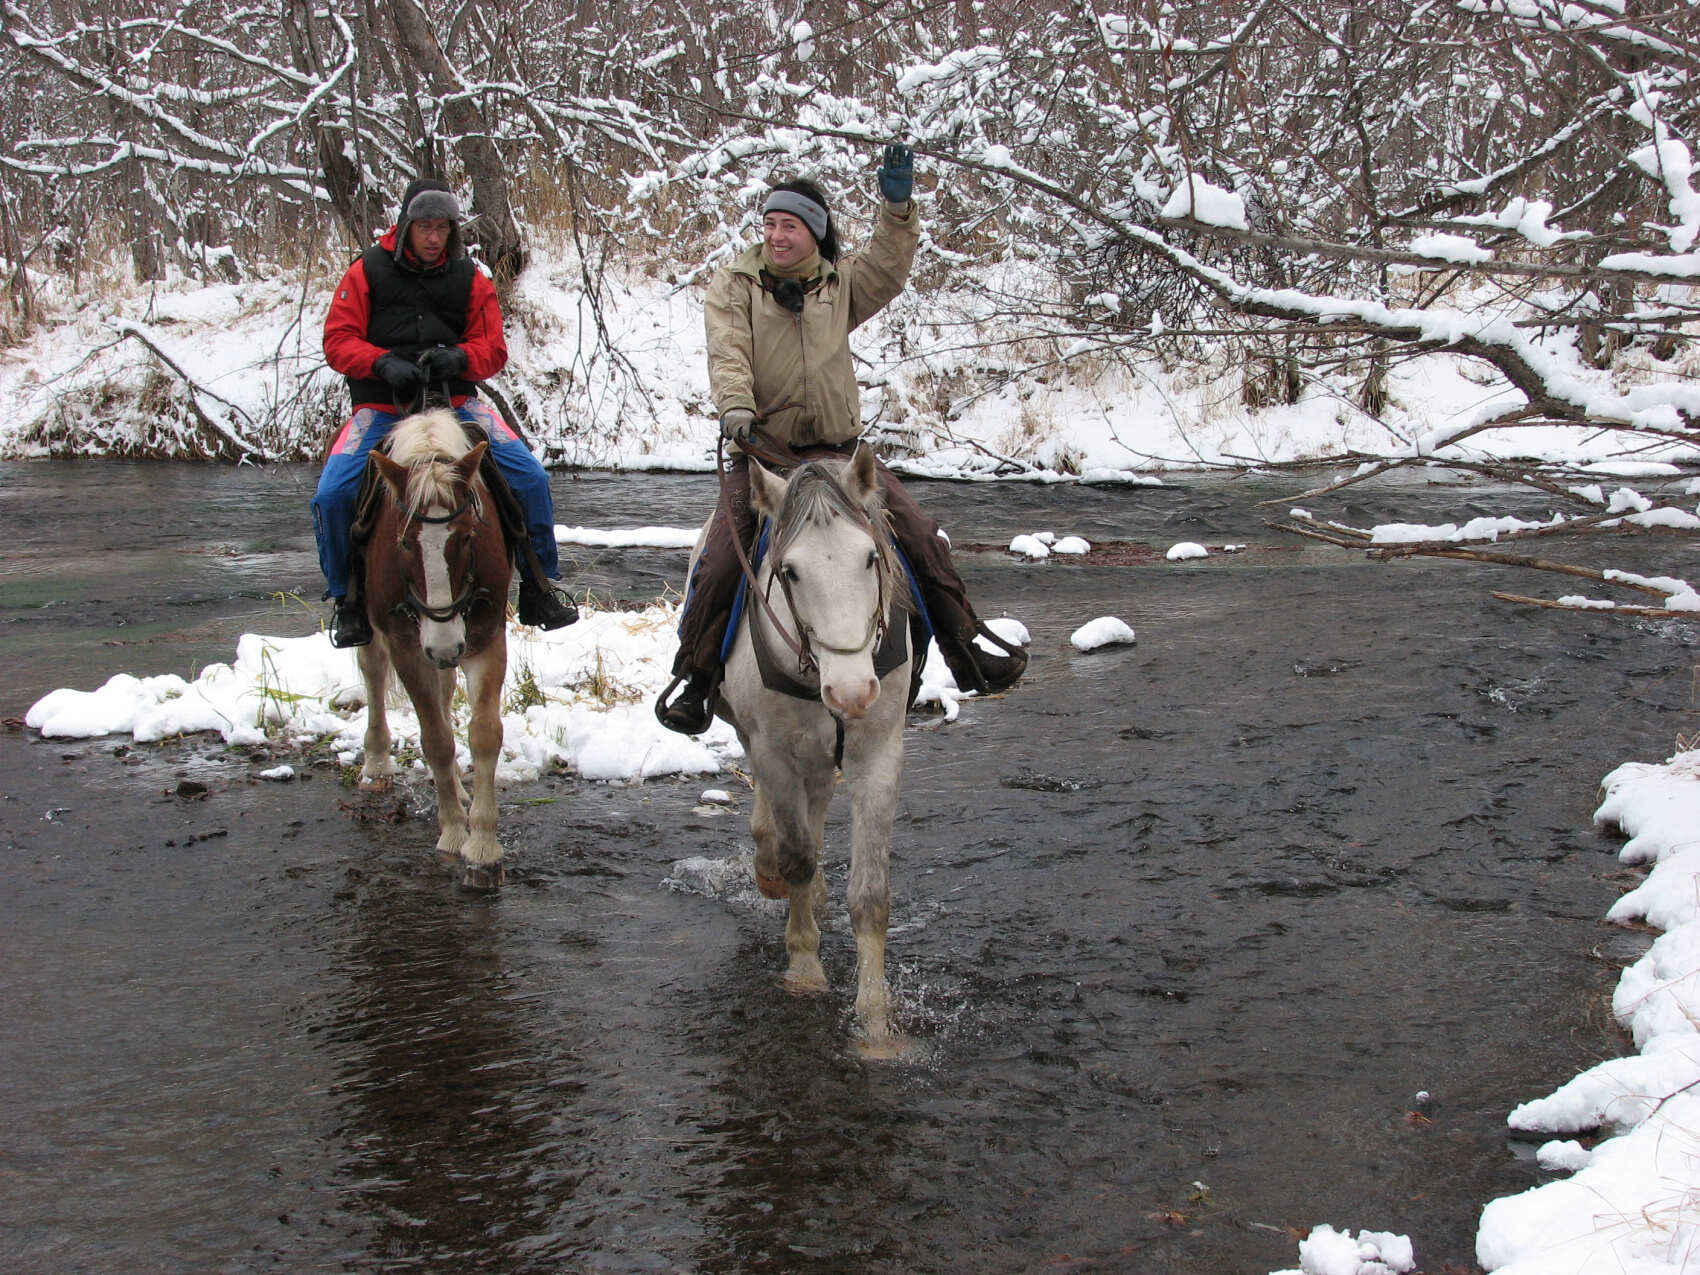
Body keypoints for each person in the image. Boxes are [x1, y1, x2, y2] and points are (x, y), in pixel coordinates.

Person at [656, 144, 1028, 734]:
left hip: (837, 455)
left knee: (920, 539)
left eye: (791, 226)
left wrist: (898, 207)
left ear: (816, 233)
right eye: (771, 224)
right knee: (724, 561)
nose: (777, 236)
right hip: (764, 456)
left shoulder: (839, 285)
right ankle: (697, 678)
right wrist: (736, 409)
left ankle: (966, 649)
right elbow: (727, 352)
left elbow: (888, 264)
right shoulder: (736, 286)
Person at [312, 177, 578, 648]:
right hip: (381, 406)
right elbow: (337, 340)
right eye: (424, 227)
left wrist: (461, 359)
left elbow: (492, 348)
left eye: (442, 228)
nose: (433, 238)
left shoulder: (471, 278)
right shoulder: (365, 272)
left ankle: (540, 586)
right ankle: (347, 600)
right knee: (333, 494)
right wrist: (380, 362)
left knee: (531, 478)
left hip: (456, 402)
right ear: (406, 227)